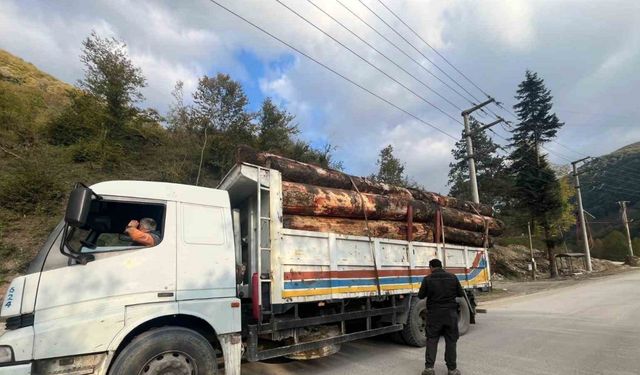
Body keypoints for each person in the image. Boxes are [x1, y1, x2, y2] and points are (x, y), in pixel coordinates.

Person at [418, 258, 465, 375]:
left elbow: (420, 296)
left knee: (432, 340)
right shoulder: (453, 277)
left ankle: (429, 368)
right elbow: (461, 294)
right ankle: (452, 369)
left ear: (431, 267)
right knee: (451, 341)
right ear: (441, 266)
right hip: (450, 314)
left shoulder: (427, 279)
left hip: (434, 315)